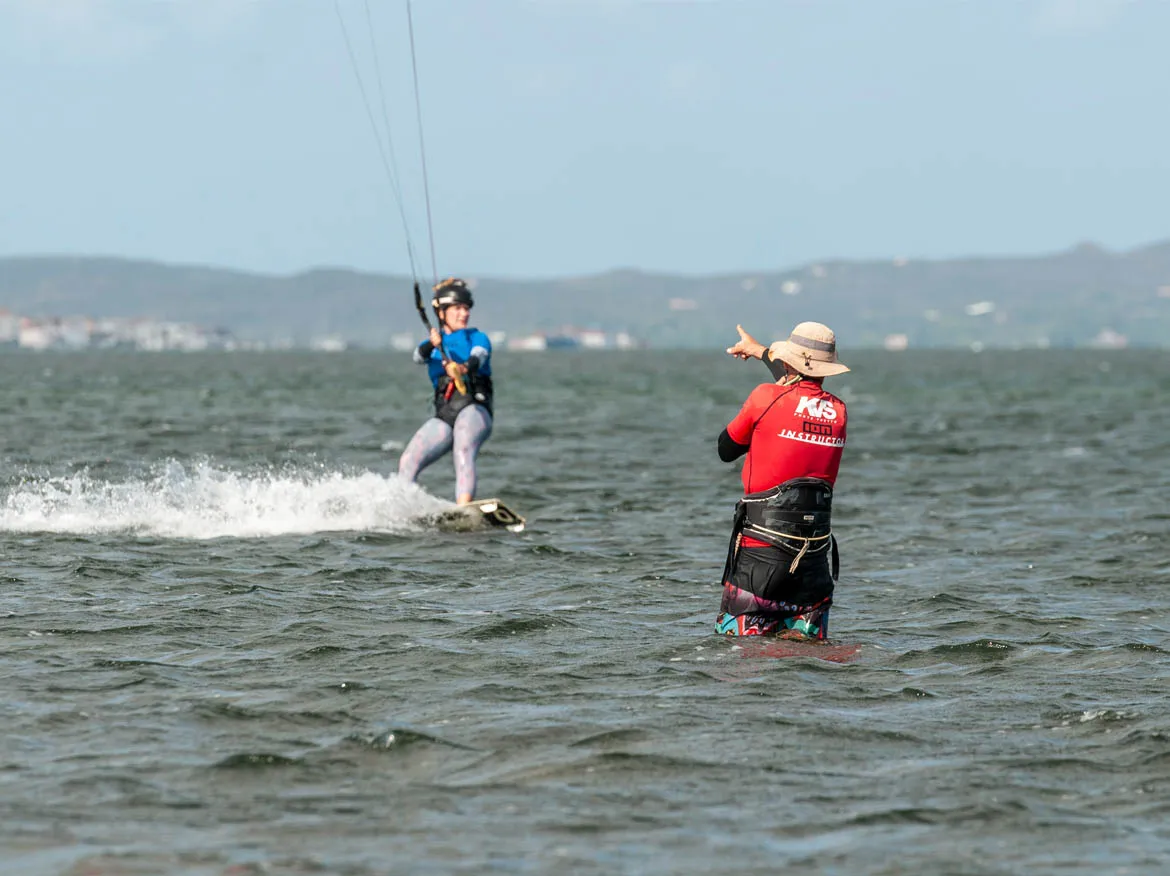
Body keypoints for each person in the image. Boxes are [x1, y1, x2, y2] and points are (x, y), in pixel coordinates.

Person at [715, 321, 850, 640]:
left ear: (789, 361)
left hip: (759, 563)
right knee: (808, 663)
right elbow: (797, 394)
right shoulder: (839, 412)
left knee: (741, 663)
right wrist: (760, 351)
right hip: (814, 568)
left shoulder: (765, 398)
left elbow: (725, 449)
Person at [398, 277, 494, 504]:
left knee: (463, 444)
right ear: (442, 313)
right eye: (458, 308)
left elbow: (479, 356)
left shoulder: (477, 337)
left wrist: (461, 368)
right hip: (445, 414)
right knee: (408, 460)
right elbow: (417, 357)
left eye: (466, 308)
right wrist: (431, 343)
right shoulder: (434, 345)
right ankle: (404, 506)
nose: (464, 313)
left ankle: (464, 506)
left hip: (475, 409)